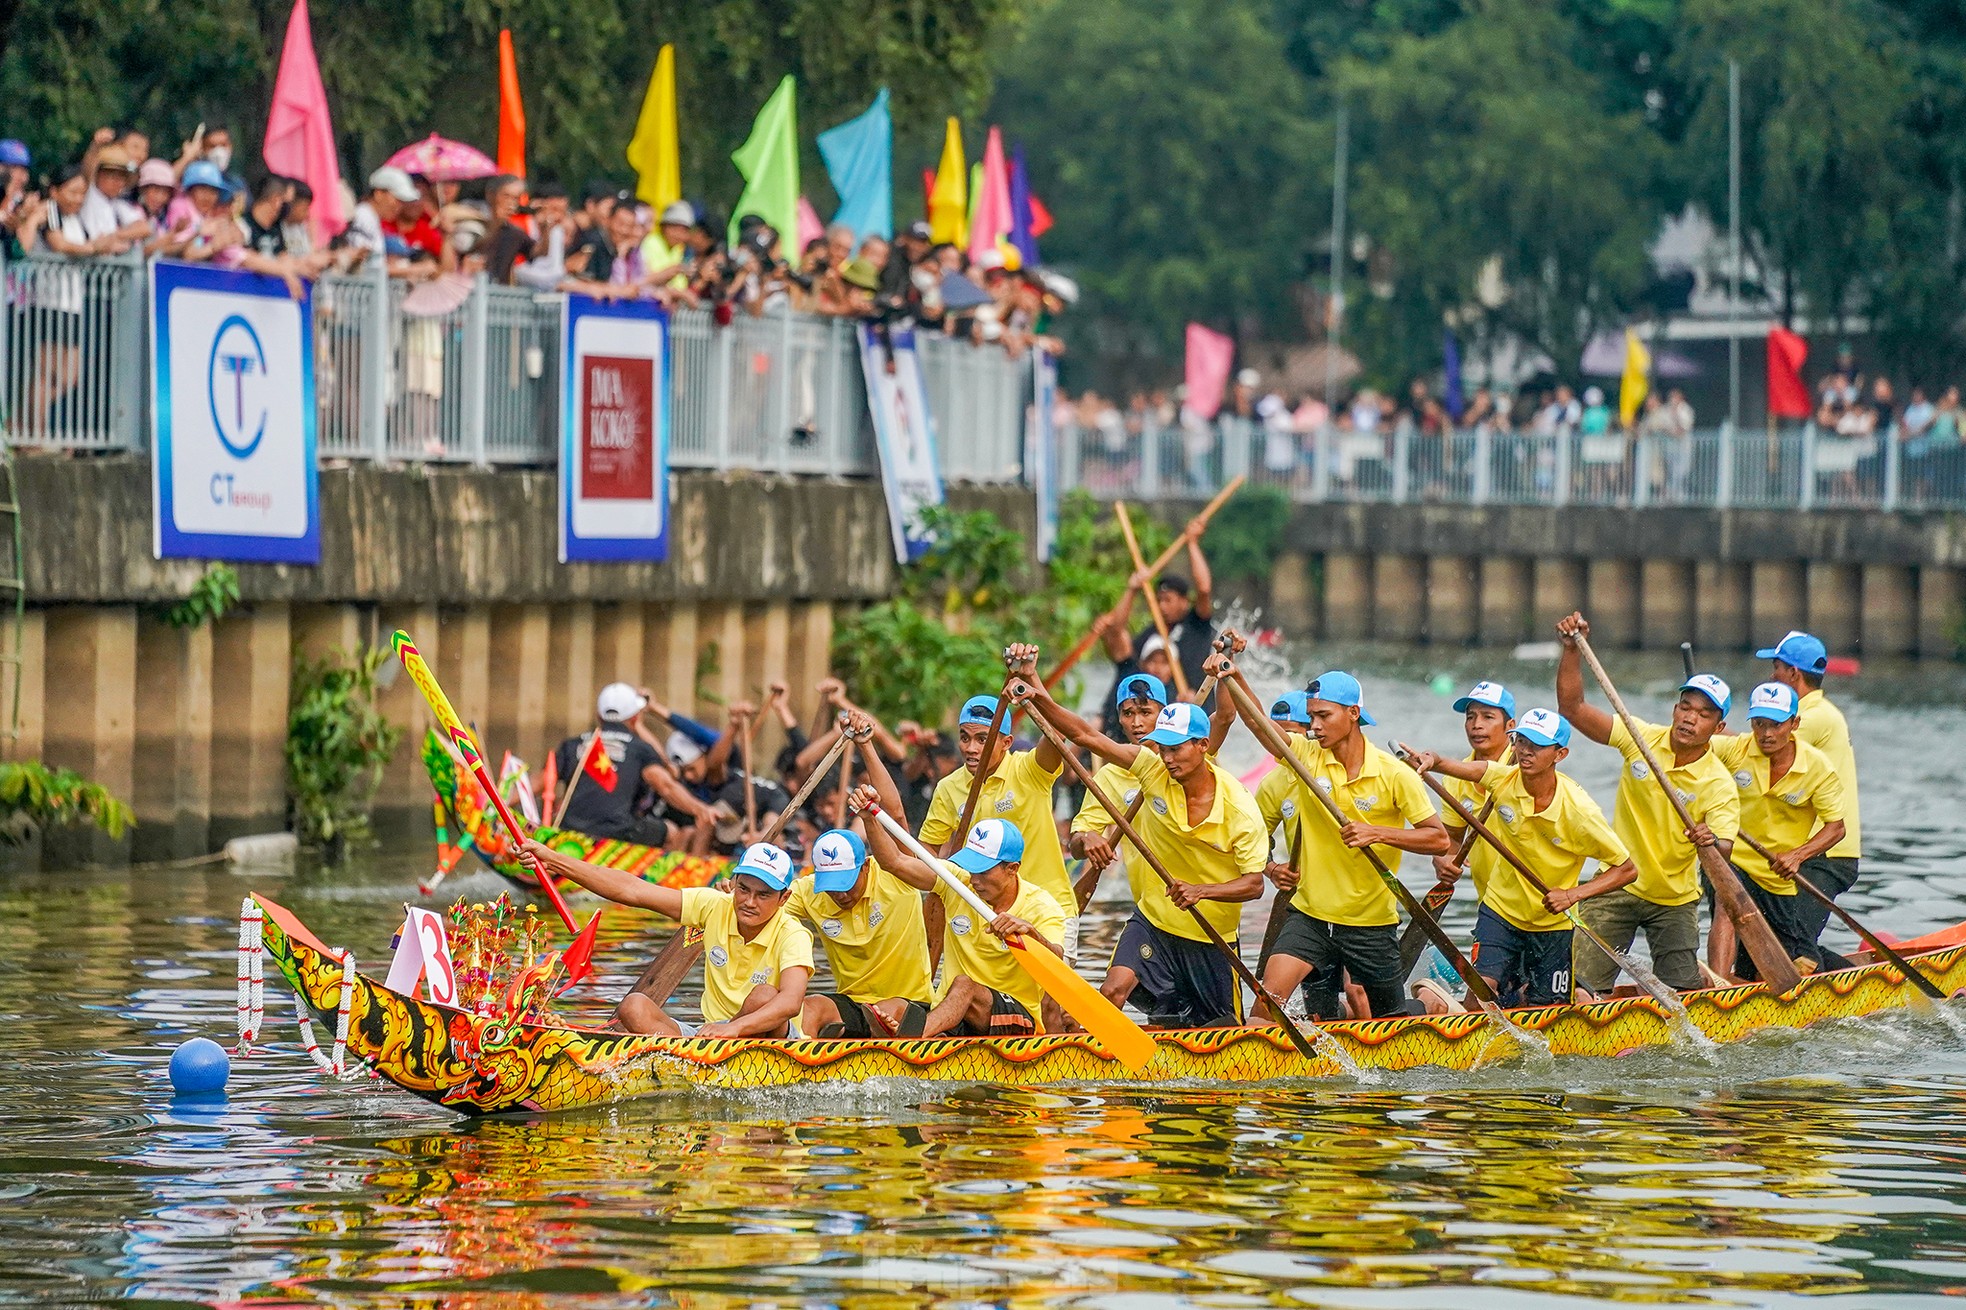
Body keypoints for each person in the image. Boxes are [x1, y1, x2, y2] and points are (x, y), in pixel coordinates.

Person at [1017, 660, 1266, 1029]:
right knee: (1112, 992)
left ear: (1202, 747)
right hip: (1153, 919)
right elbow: (1088, 737)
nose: (1166, 758)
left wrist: (1202, 891)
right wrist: (1036, 695)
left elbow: (1255, 884)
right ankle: (1088, 1065)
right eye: (1162, 749)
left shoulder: (1240, 808)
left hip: (1210, 935)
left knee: (1218, 1031)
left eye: (1176, 750)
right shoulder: (1151, 767)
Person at [1228, 662, 1452, 1021]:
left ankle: (1428, 1003)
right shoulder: (1306, 757)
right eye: (1312, 717)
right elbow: (1257, 723)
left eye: (1323, 716)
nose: (1314, 726)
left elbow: (1438, 839)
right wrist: (1233, 676)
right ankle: (1249, 1066)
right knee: (1269, 1000)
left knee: (1388, 1021)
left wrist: (1376, 832)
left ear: (1353, 713)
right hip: (1310, 916)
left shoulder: (1394, 775)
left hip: (1370, 922)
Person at [1555, 612, 1739, 994]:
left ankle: (1698, 979)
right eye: (1685, 707)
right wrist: (1571, 650)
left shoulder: (1719, 784)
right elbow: (1573, 709)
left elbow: (1724, 850)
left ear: (1718, 729)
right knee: (1575, 987)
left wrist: (1708, 841)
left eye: (1704, 715)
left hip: (1674, 899)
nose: (1690, 719)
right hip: (1617, 884)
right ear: (1674, 709)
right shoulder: (1639, 738)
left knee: (1684, 997)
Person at [1404, 709, 1638, 1007]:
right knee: (1482, 988)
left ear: (1560, 754)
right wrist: (1433, 761)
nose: (1526, 751)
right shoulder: (1503, 780)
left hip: (1552, 925)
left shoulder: (1579, 813)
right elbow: (1461, 768)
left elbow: (1627, 870)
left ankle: (1564, 997)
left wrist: (1571, 895)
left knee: (1546, 1008)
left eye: (1537, 746)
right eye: (1521, 741)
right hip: (1500, 911)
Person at [520, 839, 811, 1037]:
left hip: (770, 1040)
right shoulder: (714, 905)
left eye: (763, 895)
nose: (749, 902)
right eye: (744, 889)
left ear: (784, 897)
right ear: (733, 883)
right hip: (708, 1036)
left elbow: (790, 1003)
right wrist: (554, 861)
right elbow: (630, 890)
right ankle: (688, 1058)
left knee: (764, 996)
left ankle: (699, 1055)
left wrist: (733, 1029)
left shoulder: (793, 934)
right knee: (633, 1006)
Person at [856, 806, 1067, 1037]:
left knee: (964, 985)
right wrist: (869, 819)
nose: (974, 879)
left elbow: (1057, 960)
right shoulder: (957, 882)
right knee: (889, 1007)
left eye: (984, 871)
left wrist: (1032, 935)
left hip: (1017, 1017)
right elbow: (895, 863)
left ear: (1012, 869)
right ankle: (920, 1037)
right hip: (956, 1011)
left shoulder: (1041, 906)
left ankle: (918, 1036)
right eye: (971, 868)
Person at [781, 718, 934, 1037]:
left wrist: (866, 744)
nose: (840, 895)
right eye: (832, 887)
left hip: (909, 1005)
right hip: (853, 1005)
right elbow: (765, 904)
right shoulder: (811, 890)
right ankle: (797, 1065)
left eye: (846, 884)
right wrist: (737, 894)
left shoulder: (896, 873)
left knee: (892, 1010)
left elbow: (896, 815)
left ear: (865, 866)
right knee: (811, 1006)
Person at [916, 691, 1075, 957]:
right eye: (965, 738)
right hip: (983, 914)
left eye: (982, 739)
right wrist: (946, 886)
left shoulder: (1030, 770)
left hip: (1046, 908)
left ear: (1007, 742)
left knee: (1048, 1000)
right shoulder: (948, 788)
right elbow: (924, 854)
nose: (971, 748)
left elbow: (1058, 730)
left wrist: (1031, 686)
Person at [1706, 682, 1847, 978]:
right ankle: (1717, 989)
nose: (1766, 734)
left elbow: (1836, 828)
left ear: (1794, 724)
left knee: (1793, 964)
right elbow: (1687, 746)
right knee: (1729, 902)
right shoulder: (1736, 749)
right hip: (1734, 860)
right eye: (1759, 724)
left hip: (1778, 878)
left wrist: (1797, 856)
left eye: (1775, 725)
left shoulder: (1817, 768)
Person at [1754, 630, 1863, 948]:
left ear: (1793, 673)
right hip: (1806, 851)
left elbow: (1751, 751)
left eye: (1776, 667)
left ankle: (1860, 989)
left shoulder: (1811, 717)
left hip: (1826, 852)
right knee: (1770, 941)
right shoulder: (1813, 714)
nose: (1772, 675)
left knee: (1791, 945)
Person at [548, 683, 715, 851]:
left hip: (569, 828)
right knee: (671, 832)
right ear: (635, 718)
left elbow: (540, 781)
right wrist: (701, 810)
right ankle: (654, 876)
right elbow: (666, 787)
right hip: (617, 830)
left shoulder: (572, 745)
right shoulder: (639, 749)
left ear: (599, 716)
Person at [1070, 671, 1168, 911]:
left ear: (1163, 716)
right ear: (1120, 719)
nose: (1137, 723)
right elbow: (1075, 847)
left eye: (1145, 713)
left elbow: (1225, 717)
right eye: (1128, 714)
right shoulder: (1108, 776)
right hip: (1149, 908)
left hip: (1197, 897)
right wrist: (1087, 838)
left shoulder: (1181, 761)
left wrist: (1228, 674)